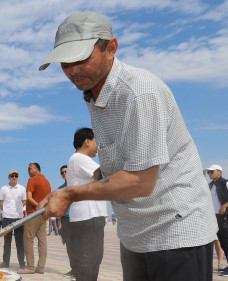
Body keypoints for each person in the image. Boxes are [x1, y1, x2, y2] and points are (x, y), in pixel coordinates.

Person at [38, 11, 217, 281]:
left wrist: (71, 194)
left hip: (175, 233)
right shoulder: (95, 93)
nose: (73, 70)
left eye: (82, 58)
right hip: (135, 235)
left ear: (111, 48)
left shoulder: (139, 92)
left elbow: (140, 181)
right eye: (65, 62)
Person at [66, 128, 107, 281]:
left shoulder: (77, 159)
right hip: (88, 216)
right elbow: (102, 173)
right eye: (97, 142)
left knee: (90, 262)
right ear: (87, 142)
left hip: (88, 216)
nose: (98, 147)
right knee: (89, 263)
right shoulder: (79, 158)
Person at [18, 163, 51, 275]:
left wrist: (38, 206)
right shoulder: (47, 181)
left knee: (28, 239)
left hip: (33, 213)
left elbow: (29, 197)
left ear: (36, 169)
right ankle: (41, 267)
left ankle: (30, 267)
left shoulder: (32, 179)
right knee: (42, 242)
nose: (28, 170)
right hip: (43, 215)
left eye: (30, 168)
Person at [0, 169, 26, 269]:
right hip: (7, 218)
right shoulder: (3, 189)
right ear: (9, 177)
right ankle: (5, 262)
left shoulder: (22, 188)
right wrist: (4, 210)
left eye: (16, 176)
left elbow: (24, 200)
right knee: (7, 241)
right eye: (12, 176)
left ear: (18, 177)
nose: (14, 177)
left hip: (19, 217)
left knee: (20, 241)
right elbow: (0, 201)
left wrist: (19, 208)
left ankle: (22, 263)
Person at [206, 165, 228, 276]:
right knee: (223, 243)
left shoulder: (225, 183)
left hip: (224, 217)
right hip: (214, 217)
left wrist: (225, 205)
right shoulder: (210, 186)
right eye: (208, 172)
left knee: (226, 241)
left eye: (212, 171)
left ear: (219, 172)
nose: (210, 174)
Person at [58, 165, 75, 279]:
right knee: (69, 246)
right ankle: (74, 269)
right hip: (65, 219)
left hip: (77, 218)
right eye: (62, 173)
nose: (64, 174)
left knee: (78, 245)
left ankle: (81, 269)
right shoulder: (60, 189)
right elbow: (59, 207)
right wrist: (59, 222)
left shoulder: (77, 186)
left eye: (66, 172)